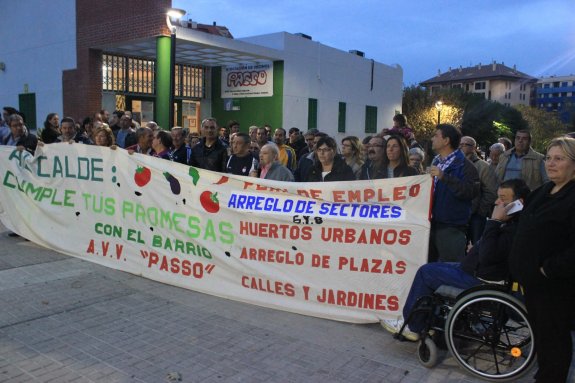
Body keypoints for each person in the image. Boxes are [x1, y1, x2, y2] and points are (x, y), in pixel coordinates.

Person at [381, 179, 530, 341]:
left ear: (518, 203)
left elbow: (488, 256)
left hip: (479, 280)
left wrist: (493, 222)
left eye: (503, 199)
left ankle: (413, 326)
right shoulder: (515, 223)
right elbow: (492, 250)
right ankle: (425, 319)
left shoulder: (512, 228)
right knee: (436, 267)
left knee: (425, 272)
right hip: (474, 270)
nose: (497, 202)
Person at [509, 137, 575, 383]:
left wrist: (548, 269)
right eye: (548, 158)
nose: (551, 163)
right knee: (543, 336)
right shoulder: (543, 191)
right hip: (534, 283)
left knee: (555, 339)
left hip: (556, 285)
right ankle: (545, 374)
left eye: (559, 158)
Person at [428, 124, 479, 263]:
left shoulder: (466, 166)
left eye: (436, 135)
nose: (432, 139)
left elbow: (470, 192)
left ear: (446, 140)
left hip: (451, 227)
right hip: (431, 224)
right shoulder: (436, 161)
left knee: (449, 269)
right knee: (429, 268)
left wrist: (445, 177)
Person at [460, 136, 498, 244]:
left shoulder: (483, 166)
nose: (461, 147)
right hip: (459, 214)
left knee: (477, 246)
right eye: (460, 144)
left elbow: (491, 192)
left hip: (475, 215)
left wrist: (480, 211)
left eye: (465, 144)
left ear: (473, 147)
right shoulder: (455, 164)